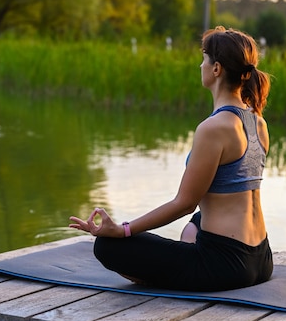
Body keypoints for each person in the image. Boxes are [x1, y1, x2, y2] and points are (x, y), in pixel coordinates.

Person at [69, 26, 273, 292]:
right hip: (261, 258)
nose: (200, 64)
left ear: (216, 69)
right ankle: (187, 258)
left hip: (226, 266)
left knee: (107, 246)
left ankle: (167, 277)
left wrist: (123, 230)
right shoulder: (259, 123)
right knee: (197, 223)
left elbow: (184, 203)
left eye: (204, 58)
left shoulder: (213, 129)